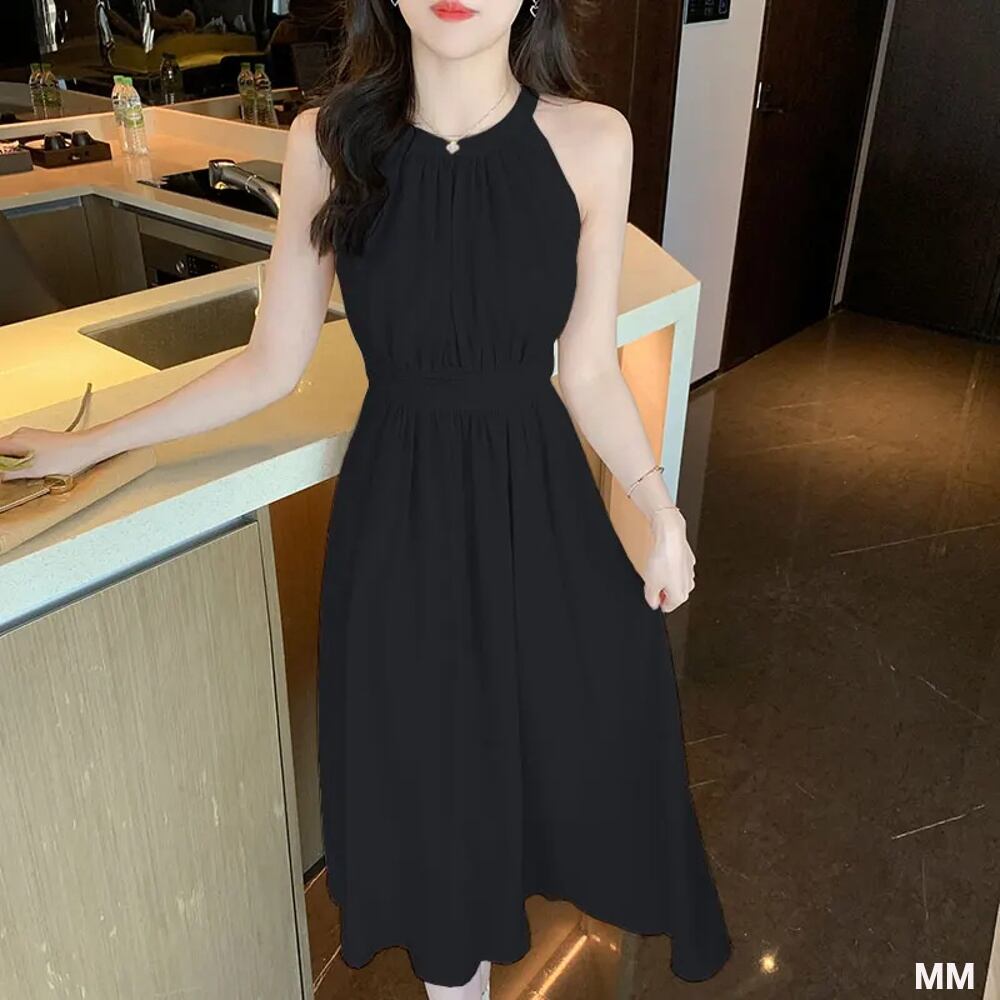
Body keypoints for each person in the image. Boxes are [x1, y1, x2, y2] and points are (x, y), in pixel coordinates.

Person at [0, 1, 732, 996]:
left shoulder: (595, 141)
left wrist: (659, 509)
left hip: (538, 512)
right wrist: (92, 440)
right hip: (400, 524)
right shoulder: (328, 143)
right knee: (432, 799)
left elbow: (589, 366)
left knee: (582, 745)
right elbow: (271, 364)